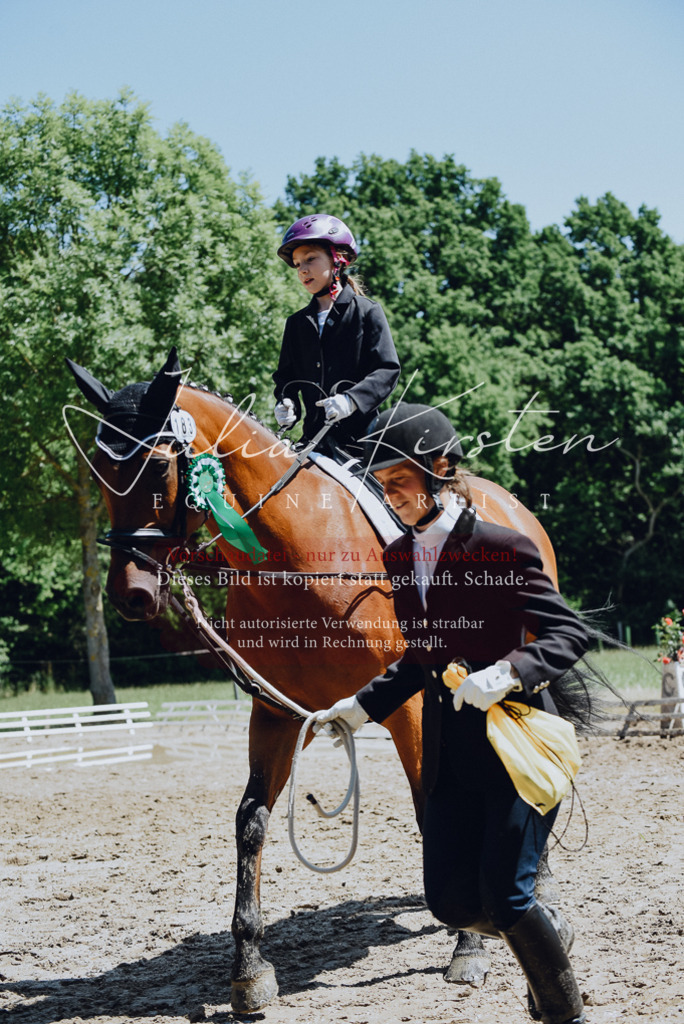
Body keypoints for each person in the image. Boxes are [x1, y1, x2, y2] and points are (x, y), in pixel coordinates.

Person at [316, 402, 589, 1024]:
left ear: (441, 469)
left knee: (510, 897)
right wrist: (358, 707)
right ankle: (545, 933)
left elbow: (568, 635)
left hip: (512, 748)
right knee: (449, 902)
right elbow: (420, 658)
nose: (389, 500)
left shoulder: (502, 548)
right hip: (448, 756)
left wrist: (509, 672)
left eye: (398, 485)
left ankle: (561, 1010)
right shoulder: (397, 560)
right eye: (380, 488)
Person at [273, 214, 400, 453]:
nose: (303, 270)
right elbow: (286, 378)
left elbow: (387, 370)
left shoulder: (367, 311)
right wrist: (286, 401)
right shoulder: (296, 324)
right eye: (298, 264)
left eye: (310, 259)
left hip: (363, 444)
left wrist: (351, 400)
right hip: (312, 442)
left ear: (337, 260)